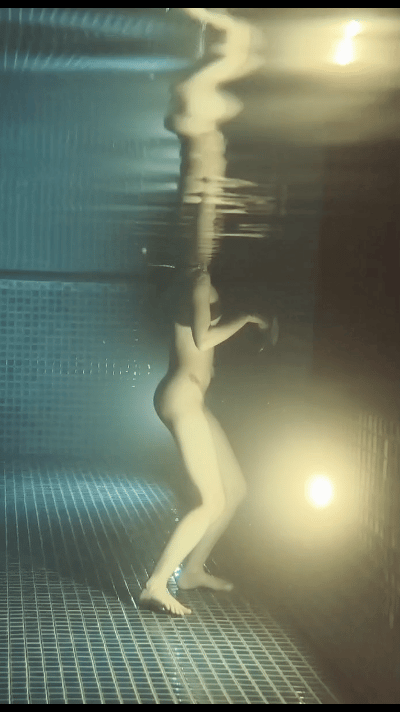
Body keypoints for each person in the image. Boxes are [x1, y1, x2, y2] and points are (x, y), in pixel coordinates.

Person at [140, 263, 268, 615]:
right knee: (212, 501)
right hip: (182, 397)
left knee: (235, 489)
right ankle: (155, 585)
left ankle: (192, 570)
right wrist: (245, 318)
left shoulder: (195, 280)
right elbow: (203, 339)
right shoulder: (199, 279)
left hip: (192, 399)